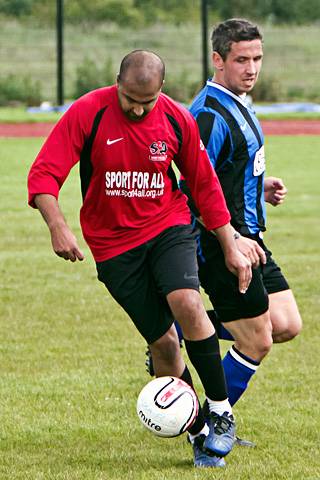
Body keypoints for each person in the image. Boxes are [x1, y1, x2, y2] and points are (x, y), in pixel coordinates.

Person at [27, 50, 253, 468]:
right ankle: (201, 432)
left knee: (186, 300)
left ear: (161, 91)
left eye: (145, 102)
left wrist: (229, 244)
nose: (136, 108)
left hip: (167, 224)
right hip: (112, 245)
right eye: (129, 98)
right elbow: (44, 174)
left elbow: (203, 185)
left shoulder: (176, 119)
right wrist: (57, 226)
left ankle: (221, 411)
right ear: (118, 82)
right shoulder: (88, 112)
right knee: (164, 344)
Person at [181, 18, 302, 415]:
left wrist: (258, 187)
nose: (251, 69)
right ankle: (210, 424)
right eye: (241, 60)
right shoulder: (210, 115)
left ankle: (183, 328)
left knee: (285, 324)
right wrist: (229, 237)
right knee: (258, 340)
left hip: (251, 236)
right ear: (218, 59)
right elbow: (192, 190)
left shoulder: (240, 101)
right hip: (225, 243)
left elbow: (225, 171)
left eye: (257, 58)